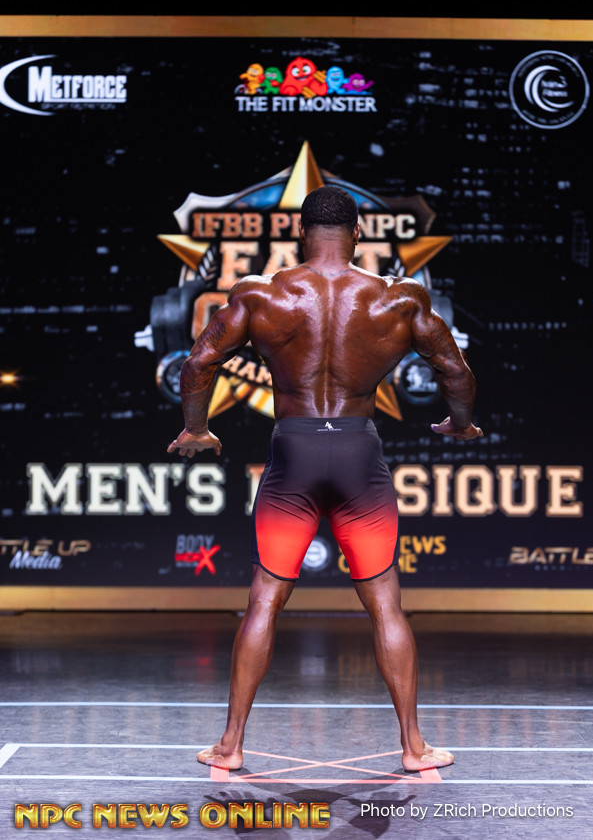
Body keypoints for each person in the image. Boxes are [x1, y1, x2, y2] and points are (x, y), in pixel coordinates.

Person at [167, 186, 483, 773]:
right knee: (385, 603)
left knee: (265, 599)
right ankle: (414, 747)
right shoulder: (399, 299)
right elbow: (455, 370)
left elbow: (197, 363)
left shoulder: (260, 294)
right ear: (358, 233)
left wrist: (197, 429)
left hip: (295, 451)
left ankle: (230, 745)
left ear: (300, 233)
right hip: (359, 452)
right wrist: (460, 424)